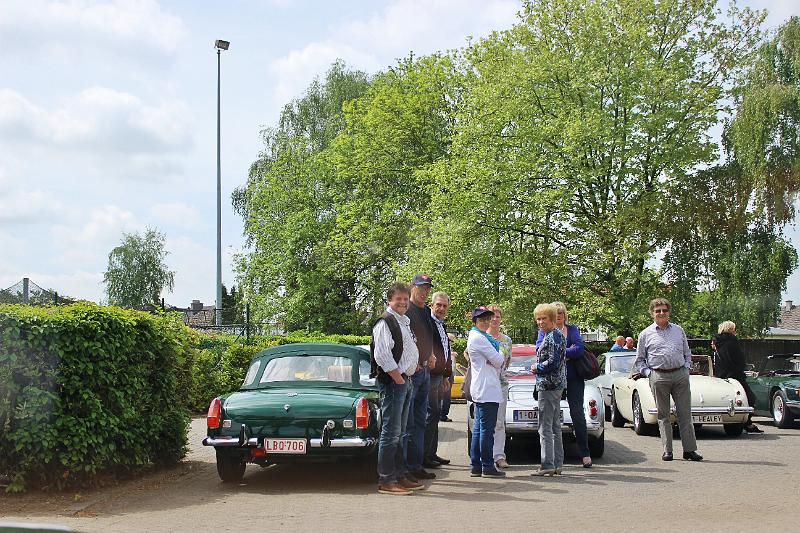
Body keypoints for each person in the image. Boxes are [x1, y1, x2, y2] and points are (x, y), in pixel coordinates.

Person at [633, 298, 703, 462]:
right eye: (658, 311)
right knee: (663, 415)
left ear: (669, 312)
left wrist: (686, 368)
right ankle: (668, 451)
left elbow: (687, 352)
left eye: (664, 310)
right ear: (652, 314)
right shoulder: (645, 334)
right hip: (658, 376)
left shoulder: (679, 330)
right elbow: (640, 360)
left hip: (680, 375)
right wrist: (649, 374)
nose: (661, 313)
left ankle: (689, 450)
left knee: (685, 414)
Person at [371, 282, 424, 495]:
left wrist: (413, 367)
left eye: (405, 299)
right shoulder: (385, 321)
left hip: (405, 380)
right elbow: (382, 355)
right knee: (390, 434)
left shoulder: (404, 321)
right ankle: (386, 480)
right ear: (389, 301)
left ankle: (400, 476)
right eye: (398, 299)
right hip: (394, 383)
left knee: (400, 433)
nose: (402, 302)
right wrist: (398, 378)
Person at [536, 302, 592, 468]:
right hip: (554, 381)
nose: (559, 316)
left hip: (572, 378)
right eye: (556, 312)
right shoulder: (544, 332)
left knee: (577, 414)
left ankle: (585, 453)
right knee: (553, 421)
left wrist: (559, 352)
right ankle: (556, 462)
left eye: (561, 313)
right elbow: (538, 348)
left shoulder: (570, 330)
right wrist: (566, 352)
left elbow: (579, 349)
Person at [404, 273, 437, 479]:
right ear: (412, 287)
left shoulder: (426, 310)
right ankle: (406, 467)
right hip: (413, 372)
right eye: (421, 287)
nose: (424, 292)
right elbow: (405, 338)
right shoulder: (406, 309)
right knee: (408, 422)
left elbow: (428, 335)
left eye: (427, 289)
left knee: (419, 421)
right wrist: (412, 361)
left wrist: (431, 354)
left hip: (424, 370)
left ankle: (416, 465)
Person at [467, 306, 507, 478]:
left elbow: (495, 361)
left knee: (478, 428)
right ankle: (487, 466)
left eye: (487, 318)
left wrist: (495, 359)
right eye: (481, 318)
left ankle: (476, 465)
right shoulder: (480, 338)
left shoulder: (481, 337)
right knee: (486, 430)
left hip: (483, 387)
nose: (485, 321)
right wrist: (499, 354)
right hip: (487, 389)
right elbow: (499, 360)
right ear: (475, 320)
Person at [532, 303, 566, 476]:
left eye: (544, 318)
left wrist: (537, 367)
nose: (540, 321)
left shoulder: (553, 336)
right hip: (554, 386)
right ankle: (557, 465)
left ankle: (547, 465)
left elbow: (553, 362)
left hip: (549, 386)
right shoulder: (553, 335)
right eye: (538, 318)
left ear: (552, 318)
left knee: (545, 427)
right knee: (554, 426)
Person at [714, 321, 763, 433]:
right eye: (734, 329)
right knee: (750, 398)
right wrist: (741, 368)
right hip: (735, 375)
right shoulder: (732, 342)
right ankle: (746, 422)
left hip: (722, 375)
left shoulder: (718, 343)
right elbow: (738, 360)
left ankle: (746, 423)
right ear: (731, 330)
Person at [425, 291, 453, 466]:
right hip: (429, 376)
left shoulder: (441, 325)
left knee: (435, 415)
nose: (441, 308)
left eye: (444, 306)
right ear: (432, 305)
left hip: (439, 377)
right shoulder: (428, 323)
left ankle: (432, 453)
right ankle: (425, 456)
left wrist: (445, 375)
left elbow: (445, 351)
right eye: (438, 305)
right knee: (430, 414)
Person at [486, 304, 513, 469]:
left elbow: (508, 361)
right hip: (485, 385)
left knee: (499, 422)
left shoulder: (507, 340)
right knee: (485, 422)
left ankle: (499, 456)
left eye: (498, 316)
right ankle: (485, 455)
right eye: (492, 316)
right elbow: (469, 355)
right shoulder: (481, 337)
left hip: (501, 384)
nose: (495, 319)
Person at [439, 333, 456, 422]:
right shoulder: (442, 347)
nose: (451, 342)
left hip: (449, 373)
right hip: (444, 374)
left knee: (446, 396)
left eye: (452, 341)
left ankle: (443, 414)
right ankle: (442, 415)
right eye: (450, 340)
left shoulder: (448, 348)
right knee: (444, 395)